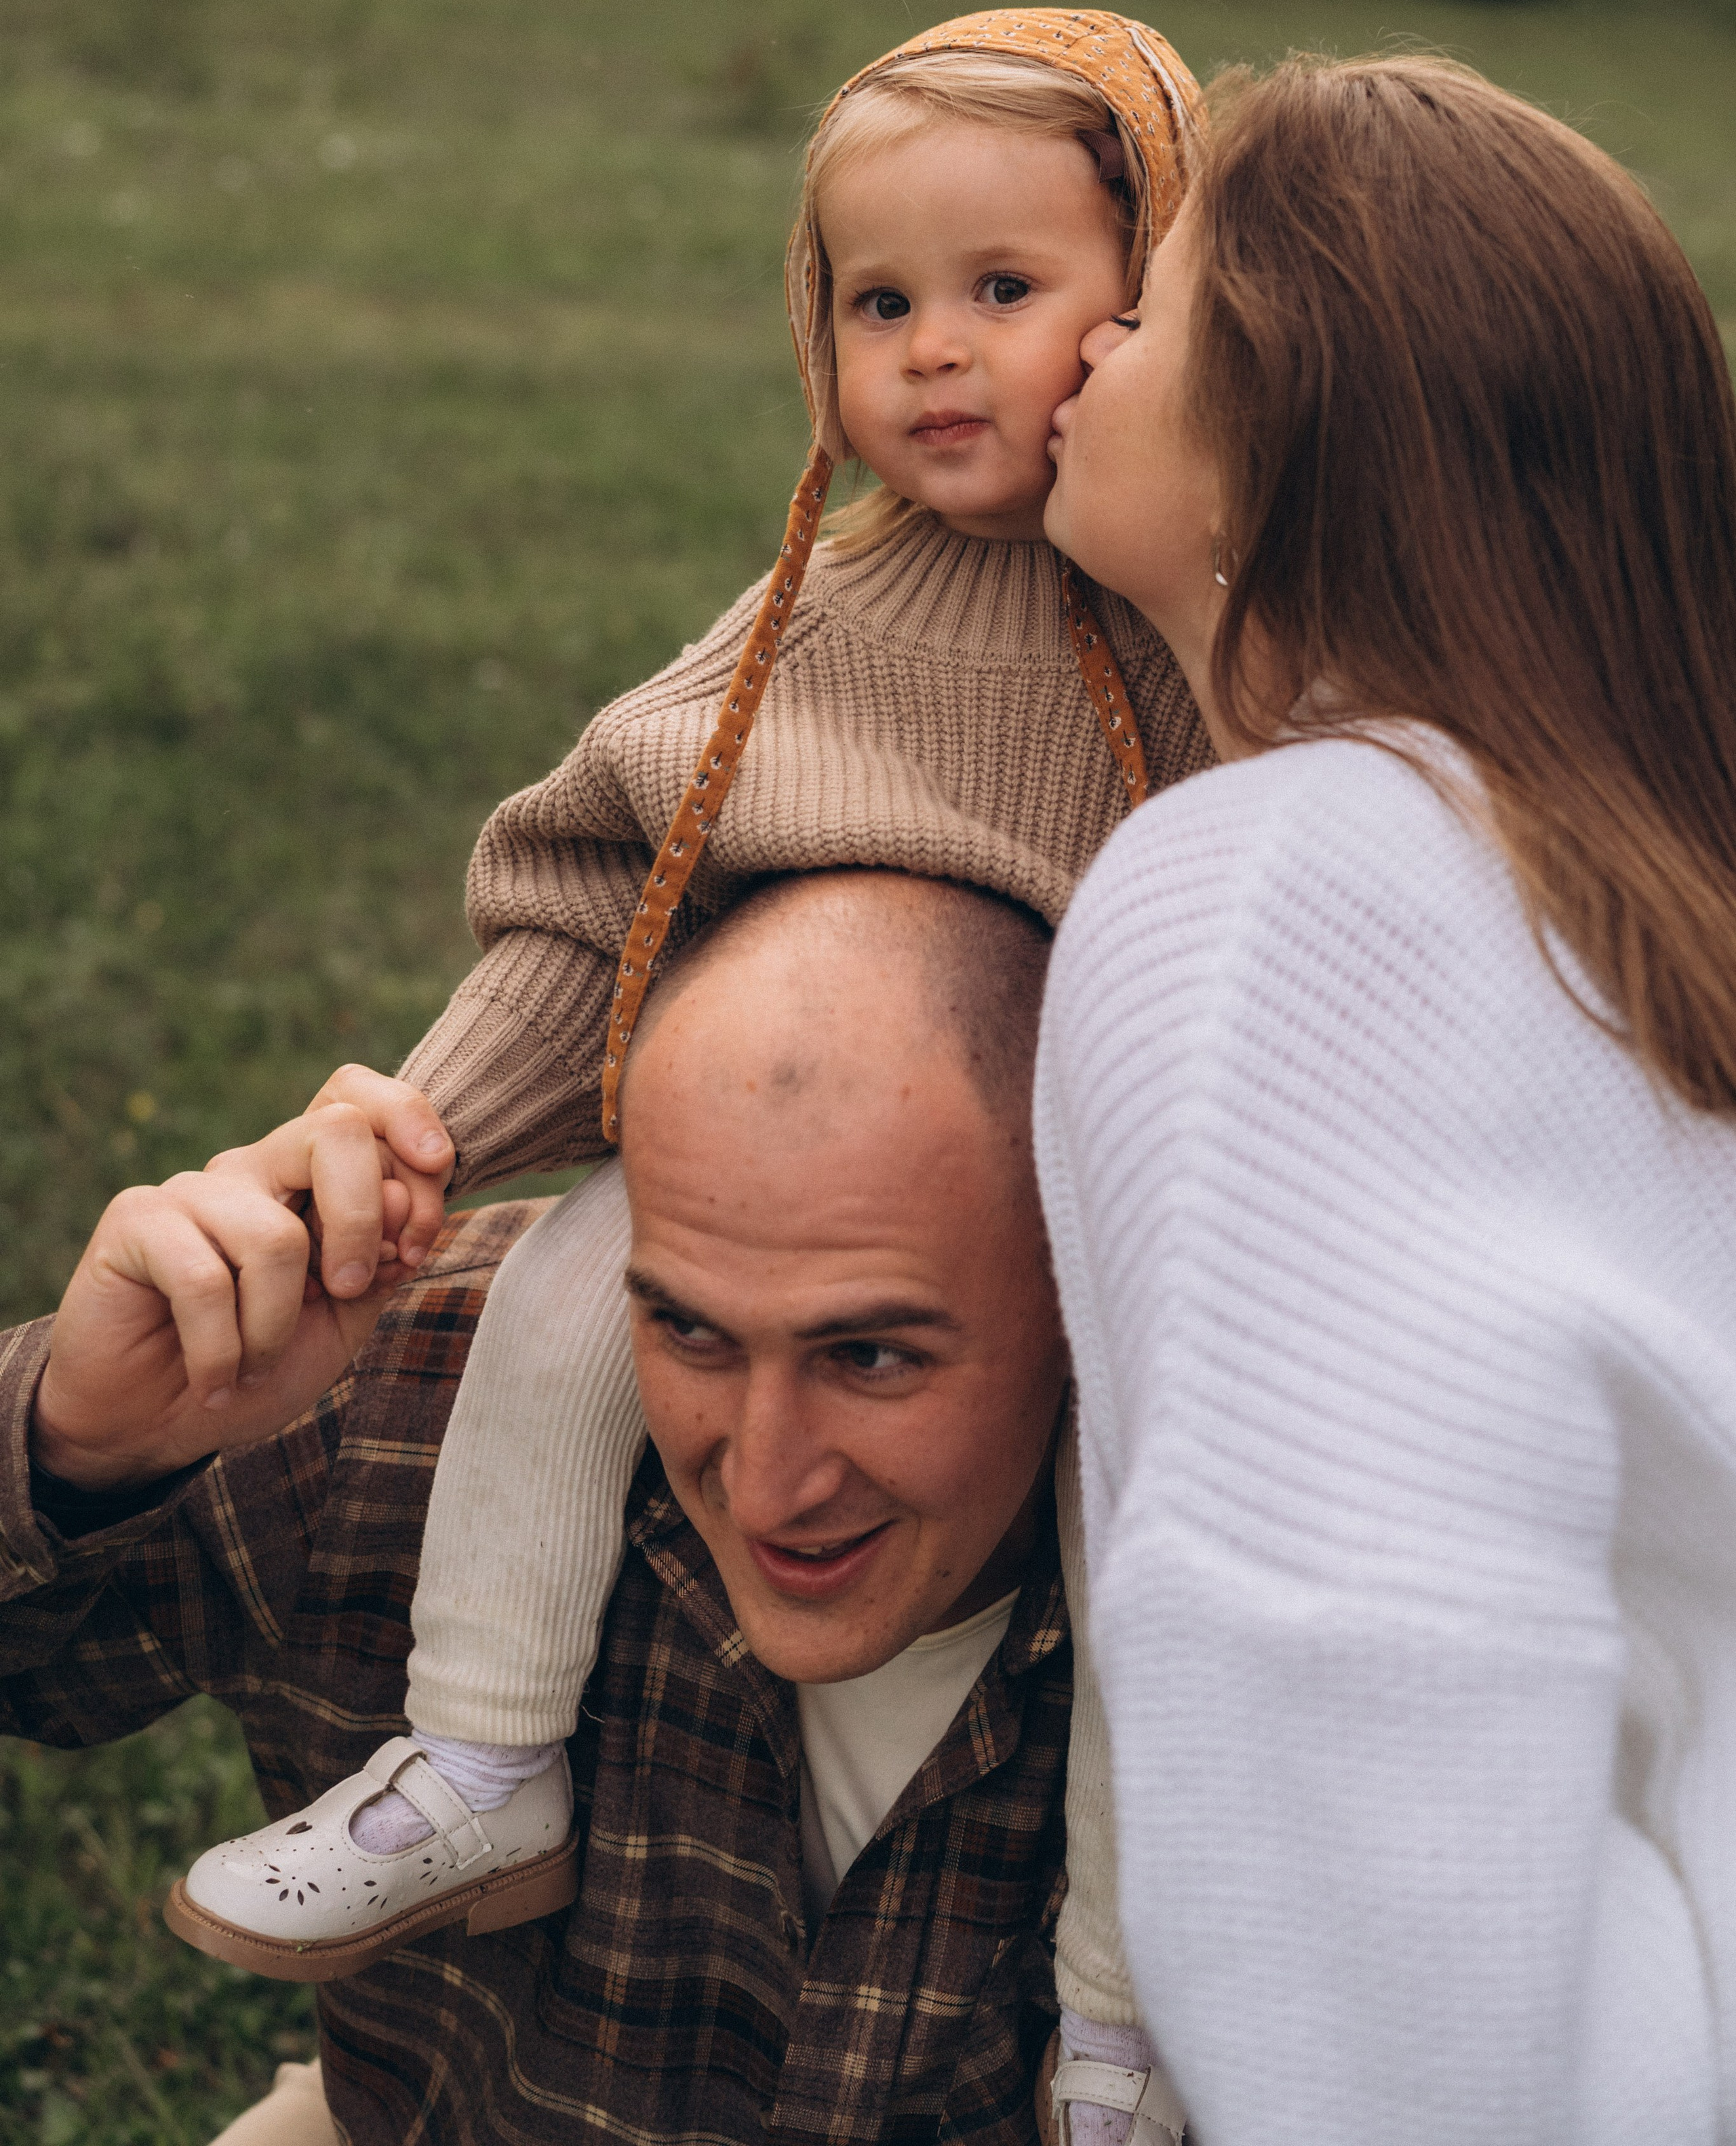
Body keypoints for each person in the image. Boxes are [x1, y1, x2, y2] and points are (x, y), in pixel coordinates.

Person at [174, 7, 1211, 2116]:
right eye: (877, 301)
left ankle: (1121, 2021)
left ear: (1161, 302)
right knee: (565, 1298)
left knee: (1156, 1558)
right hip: (776, 1196)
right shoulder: (802, 630)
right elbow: (592, 900)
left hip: (1112, 1237)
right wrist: (427, 1124)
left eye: (1006, 292)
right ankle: (480, 1751)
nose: (934, 351)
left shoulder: (1216, 627)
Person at [5, 871, 1173, 2144]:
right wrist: (80, 1439)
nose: (769, 1481)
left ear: (1080, 1299)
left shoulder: (1306, 1572)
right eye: (687, 1328)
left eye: (871, 1357)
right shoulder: (406, 1379)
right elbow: (44, 1669)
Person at [1035, 51, 1736, 2144]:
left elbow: (1354, 1702)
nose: (1082, 341)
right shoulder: (1631, 893)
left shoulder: (1280, 903)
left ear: (1285, 429)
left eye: (1146, 309)